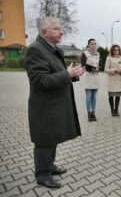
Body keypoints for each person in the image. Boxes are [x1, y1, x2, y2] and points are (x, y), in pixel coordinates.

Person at [24, 17, 84, 188]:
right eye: (57, 29)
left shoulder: (50, 49)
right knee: (44, 141)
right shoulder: (35, 50)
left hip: (54, 105)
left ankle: (49, 166)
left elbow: (56, 73)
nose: (61, 31)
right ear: (44, 32)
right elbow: (40, 80)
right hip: (45, 107)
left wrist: (72, 73)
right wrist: (67, 74)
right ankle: (42, 175)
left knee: (53, 138)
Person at [105, 45, 121, 117]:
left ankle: (116, 110)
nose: (116, 51)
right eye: (115, 50)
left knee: (118, 96)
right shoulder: (109, 58)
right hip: (112, 79)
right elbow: (106, 69)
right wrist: (114, 70)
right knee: (111, 95)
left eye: (117, 49)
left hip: (119, 79)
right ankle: (112, 111)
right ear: (112, 50)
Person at [81, 39, 100, 121]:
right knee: (88, 96)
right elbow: (83, 65)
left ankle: (93, 113)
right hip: (88, 77)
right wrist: (91, 68)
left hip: (95, 77)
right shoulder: (85, 53)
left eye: (95, 44)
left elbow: (100, 64)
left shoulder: (98, 54)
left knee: (94, 97)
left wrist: (98, 68)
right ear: (88, 45)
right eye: (92, 44)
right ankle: (89, 113)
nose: (94, 45)